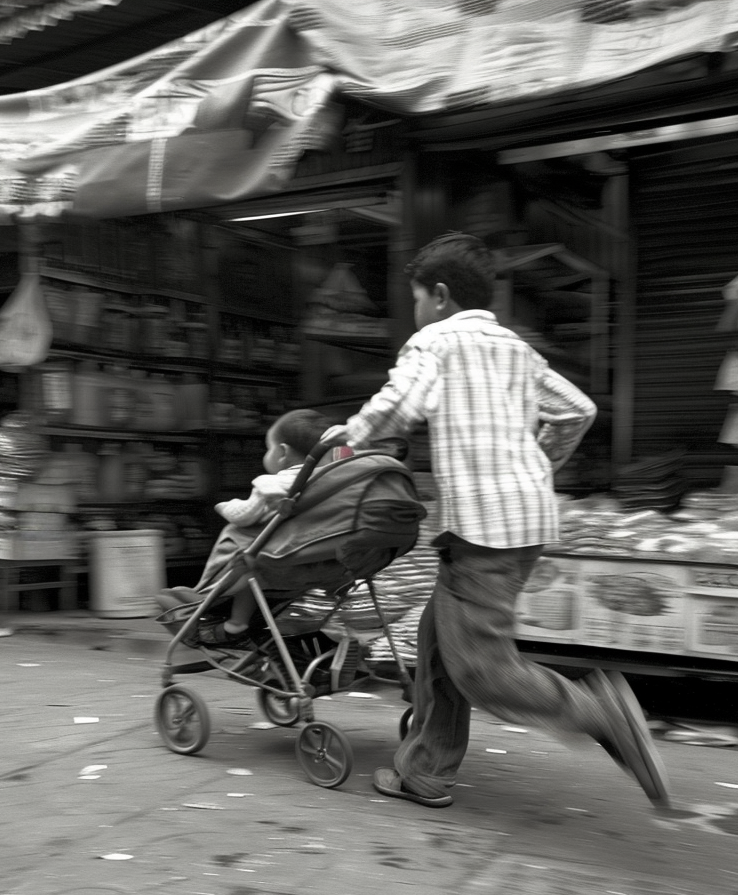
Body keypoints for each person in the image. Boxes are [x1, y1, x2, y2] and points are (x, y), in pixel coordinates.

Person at [321, 231, 670, 809]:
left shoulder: (435, 342)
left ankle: (601, 713)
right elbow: (578, 410)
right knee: (437, 638)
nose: (414, 313)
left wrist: (347, 438)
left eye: (414, 300)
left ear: (438, 295)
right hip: (525, 520)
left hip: (484, 529)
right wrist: (536, 465)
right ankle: (426, 770)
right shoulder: (517, 349)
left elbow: (398, 407)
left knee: (481, 668)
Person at [157, 407, 339, 648]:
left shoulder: (274, 484)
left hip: (269, 570)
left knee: (245, 552)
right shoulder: (337, 484)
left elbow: (245, 515)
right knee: (256, 557)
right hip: (318, 570)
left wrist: (225, 506)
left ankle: (234, 620)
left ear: (282, 453)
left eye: (269, 448)